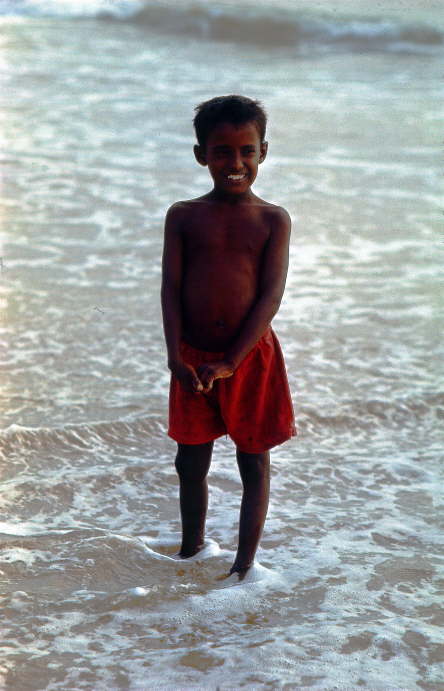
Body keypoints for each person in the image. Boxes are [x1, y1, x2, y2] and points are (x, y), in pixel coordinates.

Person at [161, 94, 296, 579]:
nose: (235, 163)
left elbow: (269, 298)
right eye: (222, 151)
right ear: (202, 154)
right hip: (192, 358)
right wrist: (175, 355)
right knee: (189, 461)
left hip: (249, 358)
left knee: (252, 461)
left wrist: (233, 361)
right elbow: (171, 289)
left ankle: (243, 568)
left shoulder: (272, 220)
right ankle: (190, 549)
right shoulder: (184, 216)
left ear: (263, 152)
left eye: (246, 151)